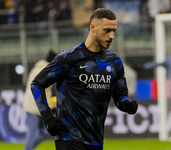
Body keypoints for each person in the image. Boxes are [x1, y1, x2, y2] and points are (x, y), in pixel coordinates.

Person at [31, 8, 138, 150]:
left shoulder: (114, 62)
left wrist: (127, 104)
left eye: (114, 31)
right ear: (92, 27)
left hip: (96, 141)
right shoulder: (69, 58)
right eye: (107, 30)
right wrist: (48, 118)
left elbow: (120, 96)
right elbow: (37, 84)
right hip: (69, 139)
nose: (112, 36)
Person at [23, 50, 57, 150]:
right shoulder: (45, 69)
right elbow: (44, 89)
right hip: (34, 106)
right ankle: (28, 148)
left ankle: (29, 148)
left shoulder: (37, 67)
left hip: (34, 105)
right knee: (32, 133)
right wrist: (52, 105)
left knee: (44, 131)